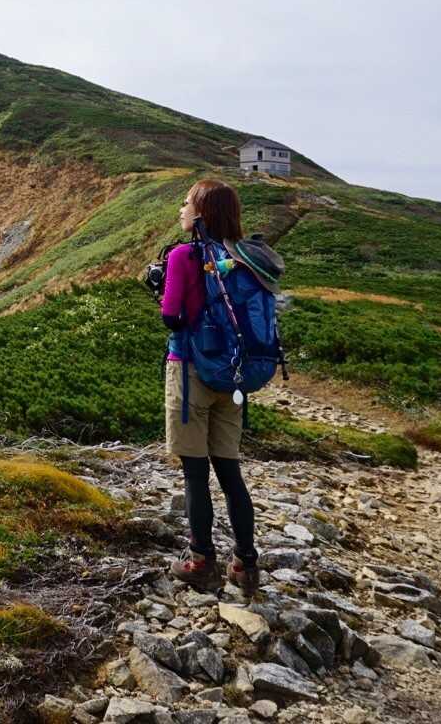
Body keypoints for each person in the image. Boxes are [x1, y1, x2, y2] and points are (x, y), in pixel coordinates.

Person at [158, 178, 260, 596]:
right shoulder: (244, 257)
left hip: (191, 371)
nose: (180, 210)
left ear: (201, 212)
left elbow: (172, 317)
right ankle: (246, 565)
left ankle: (200, 560)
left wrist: (162, 288)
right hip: (233, 376)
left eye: (186, 203)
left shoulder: (184, 256)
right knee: (230, 472)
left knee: (196, 474)